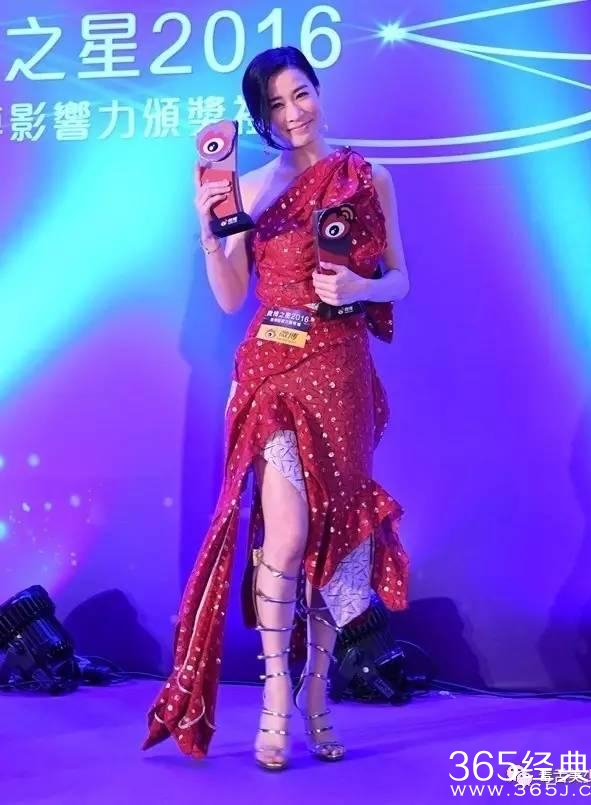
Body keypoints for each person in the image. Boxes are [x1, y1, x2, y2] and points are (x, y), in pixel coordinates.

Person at [143, 45, 410, 770]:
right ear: (259, 118)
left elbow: (400, 279)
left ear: (318, 91)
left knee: (335, 537)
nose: (293, 114)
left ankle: (318, 697)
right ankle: (275, 698)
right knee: (287, 536)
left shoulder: (367, 177)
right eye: (275, 106)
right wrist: (210, 233)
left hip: (340, 372)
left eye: (301, 95)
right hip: (270, 370)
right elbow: (233, 296)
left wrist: (360, 289)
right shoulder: (253, 188)